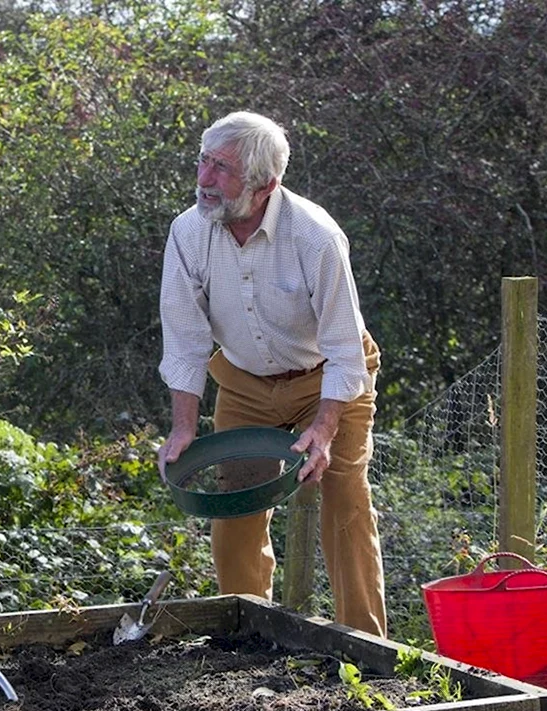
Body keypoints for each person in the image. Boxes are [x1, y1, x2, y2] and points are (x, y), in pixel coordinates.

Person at [157, 111, 388, 638]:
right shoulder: (189, 232)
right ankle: (246, 636)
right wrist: (183, 427)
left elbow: (345, 350)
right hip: (243, 380)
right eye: (203, 162)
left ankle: (370, 649)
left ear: (265, 185)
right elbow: (186, 339)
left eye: (222, 169)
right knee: (234, 506)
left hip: (327, 375)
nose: (204, 179)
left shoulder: (315, 236)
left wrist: (325, 431)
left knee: (344, 495)